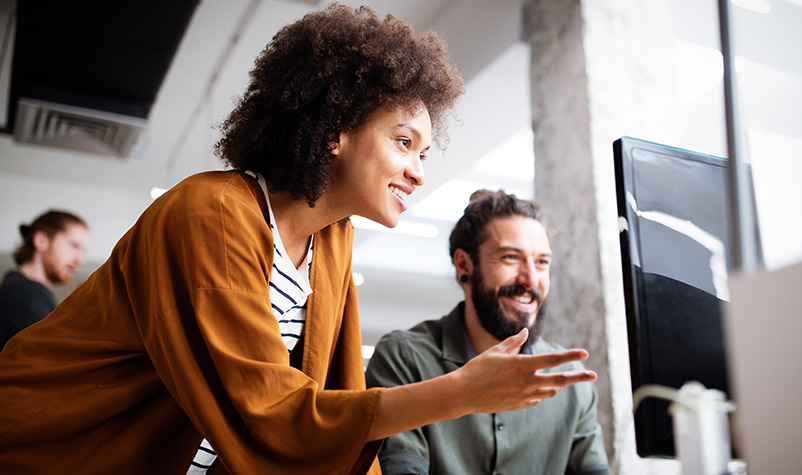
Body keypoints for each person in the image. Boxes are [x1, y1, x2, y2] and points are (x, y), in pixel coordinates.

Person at [0, 5, 596, 475]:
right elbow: (269, 412)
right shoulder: (210, 215)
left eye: (424, 151)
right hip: (47, 449)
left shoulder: (331, 243)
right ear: (334, 130)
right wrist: (458, 393)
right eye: (403, 141)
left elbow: (331, 392)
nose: (419, 170)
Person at [366, 189, 611, 475]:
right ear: (463, 265)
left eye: (542, 262)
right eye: (510, 257)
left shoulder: (570, 379)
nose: (531, 279)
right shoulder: (404, 358)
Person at [0, 210, 89, 350]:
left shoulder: (24, 289)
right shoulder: (24, 292)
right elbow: (56, 356)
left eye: (83, 252)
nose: (80, 260)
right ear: (41, 241)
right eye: (74, 246)